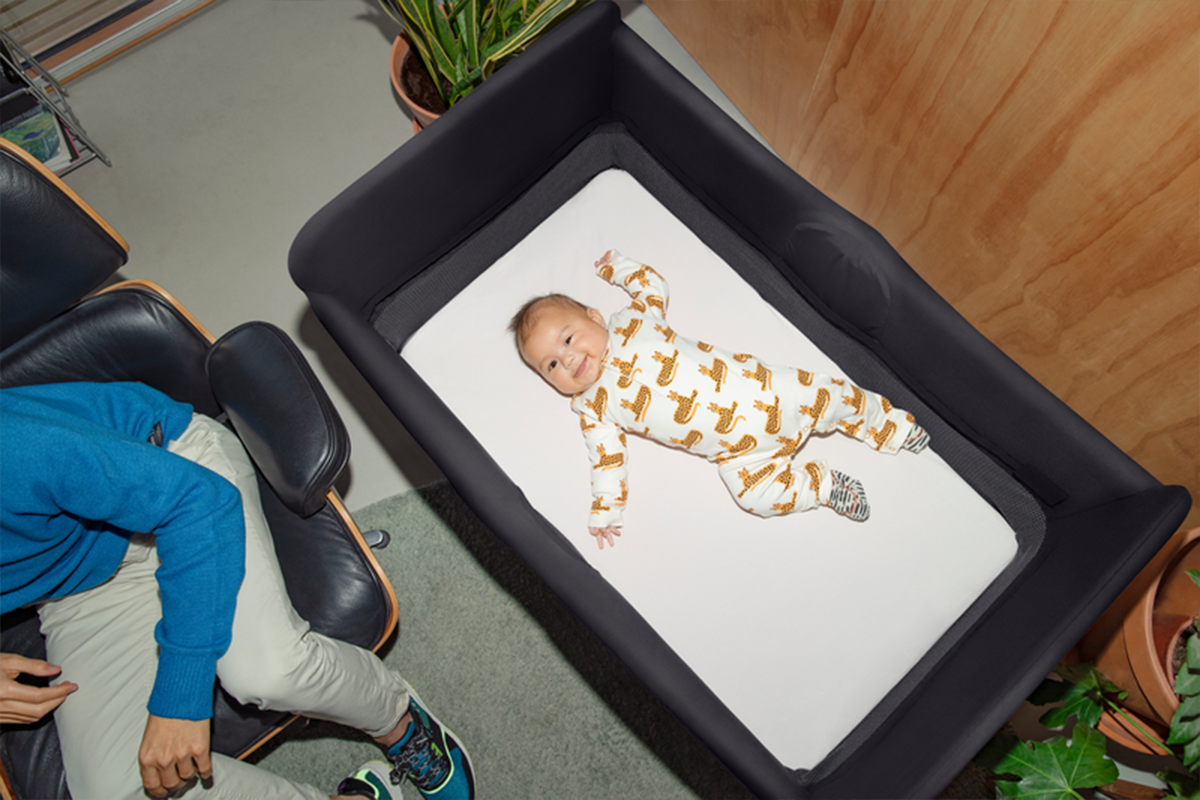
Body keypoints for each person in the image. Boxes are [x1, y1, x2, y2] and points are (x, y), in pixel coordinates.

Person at [0, 381, 475, 800]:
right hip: (76, 582)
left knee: (267, 672)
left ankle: (398, 721)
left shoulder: (12, 446)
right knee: (112, 790)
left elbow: (196, 504)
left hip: (176, 476)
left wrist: (180, 701)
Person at [510, 250, 931, 549]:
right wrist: (605, 510)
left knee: (829, 394)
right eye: (550, 365)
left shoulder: (632, 323)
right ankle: (821, 486)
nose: (567, 359)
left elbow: (654, 286)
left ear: (594, 318)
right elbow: (606, 462)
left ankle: (887, 425)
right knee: (754, 499)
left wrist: (617, 268)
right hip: (736, 453)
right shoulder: (594, 410)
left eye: (567, 338)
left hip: (765, 392)